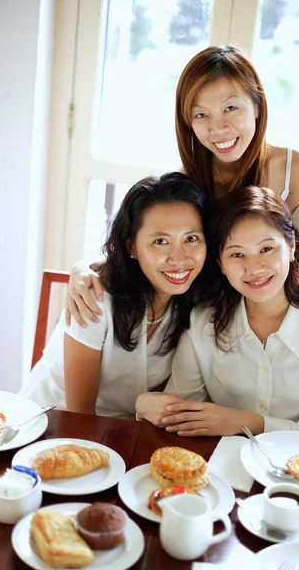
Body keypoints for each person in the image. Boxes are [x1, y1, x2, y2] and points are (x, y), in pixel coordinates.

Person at [66, 45, 299, 352]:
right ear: (188, 122)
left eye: (231, 108)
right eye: (201, 114)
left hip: (269, 316)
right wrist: (84, 269)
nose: (218, 128)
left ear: (258, 105)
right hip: (204, 320)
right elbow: (158, 248)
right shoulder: (188, 182)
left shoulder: (291, 168)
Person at [154, 186, 299, 443]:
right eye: (237, 254)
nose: (254, 268)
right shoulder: (202, 323)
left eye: (266, 249)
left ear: (292, 246)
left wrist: (247, 423)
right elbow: (181, 416)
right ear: (220, 263)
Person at [19, 173, 207, 420]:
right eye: (160, 241)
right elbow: (80, 418)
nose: (179, 258)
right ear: (131, 247)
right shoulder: (95, 296)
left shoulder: (197, 303)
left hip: (124, 431)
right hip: (52, 425)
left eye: (191, 238)